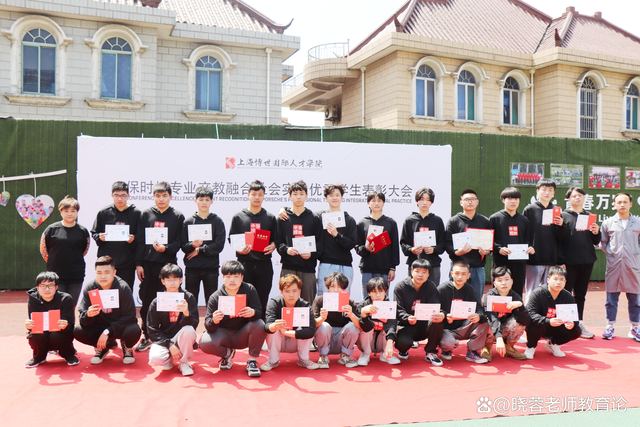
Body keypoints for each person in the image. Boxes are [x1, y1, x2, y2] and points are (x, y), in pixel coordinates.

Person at [135, 182, 185, 352]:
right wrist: (139, 264)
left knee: (171, 302)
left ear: (170, 196)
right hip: (148, 265)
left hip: (168, 267)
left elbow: (179, 241)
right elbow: (140, 240)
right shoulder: (146, 214)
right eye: (157, 195)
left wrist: (166, 248)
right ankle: (147, 336)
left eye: (164, 195)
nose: (161, 199)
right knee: (148, 302)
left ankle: (173, 335)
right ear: (153, 197)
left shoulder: (177, 216)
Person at [199, 261, 267, 377]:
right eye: (228, 276)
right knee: (204, 343)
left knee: (260, 324)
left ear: (242, 277)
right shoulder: (215, 297)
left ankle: (252, 360)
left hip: (243, 334)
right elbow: (208, 325)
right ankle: (227, 353)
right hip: (223, 335)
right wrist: (214, 321)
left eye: (236, 276)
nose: (232, 280)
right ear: (223, 277)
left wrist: (253, 312)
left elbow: (258, 312)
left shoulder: (249, 290)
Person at [75, 256, 141, 365]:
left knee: (134, 330)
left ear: (114, 272)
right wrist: (88, 315)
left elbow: (129, 316)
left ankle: (126, 346)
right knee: (78, 331)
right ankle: (102, 347)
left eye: (107, 272)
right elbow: (82, 317)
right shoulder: (90, 288)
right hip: (99, 326)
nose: (103, 276)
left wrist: (108, 331)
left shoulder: (122, 287)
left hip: (120, 327)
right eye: (99, 273)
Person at [229, 180, 277, 319]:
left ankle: (260, 327)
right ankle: (241, 327)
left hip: (264, 264)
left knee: (262, 299)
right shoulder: (238, 217)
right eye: (254, 194)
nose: (257, 197)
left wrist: (273, 245)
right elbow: (232, 239)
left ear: (264, 196)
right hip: (244, 264)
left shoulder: (270, 217)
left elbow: (276, 239)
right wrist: (239, 249)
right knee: (243, 299)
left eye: (260, 194)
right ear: (248, 195)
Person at [560, 186, 601, 339]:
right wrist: (560, 261)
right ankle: (563, 324)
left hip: (587, 260)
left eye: (580, 195)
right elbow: (557, 239)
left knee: (580, 294)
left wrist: (596, 232)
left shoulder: (590, 216)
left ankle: (578, 323)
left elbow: (595, 240)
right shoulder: (562, 216)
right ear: (568, 199)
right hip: (568, 262)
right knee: (565, 293)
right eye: (574, 196)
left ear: (584, 198)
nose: (577, 198)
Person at [599, 193, 640, 341]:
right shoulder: (608, 223)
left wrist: (635, 254)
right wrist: (612, 254)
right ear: (614, 204)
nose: (622, 204)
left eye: (625, 202)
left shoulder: (638, 223)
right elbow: (603, 242)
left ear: (630, 204)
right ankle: (610, 326)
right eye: (619, 202)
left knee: (635, 300)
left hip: (633, 266)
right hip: (614, 265)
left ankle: (635, 328)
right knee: (611, 299)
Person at [276, 180, 324, 303]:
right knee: (287, 303)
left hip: (308, 269)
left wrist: (311, 254)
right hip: (288, 268)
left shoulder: (314, 218)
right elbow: (278, 242)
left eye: (301, 194)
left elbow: (320, 244)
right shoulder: (283, 218)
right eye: (295, 194)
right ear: (290, 196)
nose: (298, 197)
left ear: (306, 196)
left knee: (307, 304)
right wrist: (286, 250)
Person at [147, 264, 199, 376]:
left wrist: (186, 314)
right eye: (168, 279)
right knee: (155, 358)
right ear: (163, 281)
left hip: (182, 336)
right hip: (165, 338)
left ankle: (184, 362)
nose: (172, 283)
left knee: (188, 330)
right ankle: (169, 359)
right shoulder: (157, 301)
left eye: (175, 279)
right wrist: (169, 345)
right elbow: (152, 329)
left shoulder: (188, 298)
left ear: (181, 280)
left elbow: (194, 324)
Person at [261, 274, 319, 371]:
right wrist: (275, 326)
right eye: (287, 291)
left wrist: (286, 332)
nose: (291, 295)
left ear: (299, 292)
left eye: (294, 291)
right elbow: (267, 326)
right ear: (281, 292)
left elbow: (311, 331)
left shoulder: (305, 305)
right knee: (273, 328)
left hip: (295, 342)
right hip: (279, 341)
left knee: (306, 328)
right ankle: (273, 360)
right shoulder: (274, 302)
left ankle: (303, 359)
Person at [39, 196, 90, 305]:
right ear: (61, 211)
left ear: (77, 212)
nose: (69, 214)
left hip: (76, 275)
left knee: (71, 305)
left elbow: (85, 250)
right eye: (66, 211)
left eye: (73, 211)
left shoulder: (82, 231)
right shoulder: (51, 229)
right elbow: (44, 250)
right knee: (57, 306)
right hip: (55, 276)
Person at [91, 181, 141, 291]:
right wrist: (100, 237)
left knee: (125, 292)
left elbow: (141, 237)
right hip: (106, 262)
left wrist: (133, 239)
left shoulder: (136, 213)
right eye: (116, 195)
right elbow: (94, 232)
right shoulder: (104, 212)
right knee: (105, 293)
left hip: (127, 263)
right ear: (111, 195)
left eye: (123, 195)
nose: (119, 199)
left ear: (128, 196)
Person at [393, 260, 445, 366]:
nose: (420, 275)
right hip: (406, 325)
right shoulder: (400, 287)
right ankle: (403, 350)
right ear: (411, 271)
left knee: (438, 321)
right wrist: (407, 318)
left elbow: (436, 306)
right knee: (403, 343)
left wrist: (441, 314)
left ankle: (431, 352)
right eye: (417, 271)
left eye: (424, 272)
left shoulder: (431, 286)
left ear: (428, 274)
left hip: (424, 324)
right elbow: (398, 310)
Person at [438, 261, 490, 364]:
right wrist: (444, 315)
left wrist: (478, 316)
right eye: (457, 273)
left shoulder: (470, 290)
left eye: (463, 274)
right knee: (448, 343)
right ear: (451, 274)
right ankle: (446, 350)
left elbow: (479, 309)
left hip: (464, 327)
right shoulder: (442, 289)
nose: (460, 277)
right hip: (446, 328)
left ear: (468, 275)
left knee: (483, 322)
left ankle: (472, 352)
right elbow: (435, 308)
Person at [181, 186, 226, 305]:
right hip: (192, 268)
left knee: (212, 302)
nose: (204, 203)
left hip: (211, 268)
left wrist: (199, 249)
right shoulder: (188, 222)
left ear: (212, 201)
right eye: (201, 199)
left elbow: (219, 245)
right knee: (190, 302)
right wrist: (192, 245)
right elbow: (183, 246)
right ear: (195, 201)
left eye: (207, 200)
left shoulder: (217, 221)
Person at [524, 266, 581, 359]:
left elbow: (575, 318)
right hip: (540, 326)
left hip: (557, 327)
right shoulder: (537, 293)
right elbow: (531, 314)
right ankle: (531, 346)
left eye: (562, 280)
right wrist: (548, 321)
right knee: (532, 324)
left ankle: (553, 344)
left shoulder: (568, 296)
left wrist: (572, 323)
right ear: (548, 280)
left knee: (577, 330)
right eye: (555, 279)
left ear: (565, 282)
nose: (558, 282)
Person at [523, 179, 565, 301]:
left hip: (551, 258)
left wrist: (561, 225)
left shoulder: (556, 211)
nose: (547, 192)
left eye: (550, 190)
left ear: (554, 193)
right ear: (537, 191)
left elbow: (560, 237)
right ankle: (530, 312)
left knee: (549, 292)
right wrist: (528, 246)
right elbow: (524, 232)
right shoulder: (530, 209)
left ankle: (544, 312)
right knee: (532, 291)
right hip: (534, 258)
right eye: (544, 189)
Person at [445, 189, 492, 299]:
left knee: (476, 299)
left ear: (477, 202)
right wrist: (457, 252)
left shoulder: (485, 221)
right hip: (458, 266)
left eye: (472, 199)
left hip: (478, 268)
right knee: (456, 299)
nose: (470, 202)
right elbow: (447, 244)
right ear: (461, 202)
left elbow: (490, 243)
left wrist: (487, 251)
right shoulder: (453, 221)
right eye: (466, 200)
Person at [24, 272, 78, 368]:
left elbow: (70, 323)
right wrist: (29, 325)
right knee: (36, 335)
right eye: (43, 286)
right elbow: (34, 323)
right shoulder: (33, 299)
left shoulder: (66, 299)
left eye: (51, 285)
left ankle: (68, 354)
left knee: (57, 335)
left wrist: (65, 325)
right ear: (37, 287)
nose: (47, 289)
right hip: (42, 332)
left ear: (56, 287)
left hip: (60, 332)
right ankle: (39, 357)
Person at [489, 187, 534, 297]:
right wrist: (499, 249)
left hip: (519, 263)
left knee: (517, 292)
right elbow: (489, 241)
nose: (513, 201)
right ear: (503, 200)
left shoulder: (524, 220)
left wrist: (530, 248)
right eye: (509, 198)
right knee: (499, 292)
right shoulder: (495, 218)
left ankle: (516, 309)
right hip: (501, 262)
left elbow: (527, 239)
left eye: (516, 199)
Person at [312, 272, 361, 369]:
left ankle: (345, 355)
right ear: (327, 288)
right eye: (333, 286)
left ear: (344, 288)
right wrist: (321, 318)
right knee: (324, 326)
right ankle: (323, 356)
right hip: (325, 338)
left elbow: (360, 325)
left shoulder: (349, 302)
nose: (336, 290)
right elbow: (313, 325)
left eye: (339, 287)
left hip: (341, 338)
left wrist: (351, 314)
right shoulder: (319, 301)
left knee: (353, 326)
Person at [481, 267, 531, 361]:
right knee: (486, 320)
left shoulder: (515, 297)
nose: (504, 283)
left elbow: (527, 321)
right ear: (494, 283)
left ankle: (509, 346)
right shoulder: (489, 296)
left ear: (511, 281)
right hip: (492, 328)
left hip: (505, 328)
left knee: (520, 321)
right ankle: (487, 345)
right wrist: (499, 338)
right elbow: (493, 318)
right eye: (500, 280)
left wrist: (521, 307)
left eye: (506, 279)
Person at [356, 191, 400, 298]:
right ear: (368, 203)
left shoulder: (391, 223)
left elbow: (394, 247)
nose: (376, 203)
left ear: (383, 203)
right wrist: (366, 249)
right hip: (367, 268)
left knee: (382, 300)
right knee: (367, 300)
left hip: (384, 268)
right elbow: (357, 246)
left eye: (379, 201)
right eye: (373, 200)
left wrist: (393, 268)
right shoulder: (362, 223)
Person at [400, 188, 445, 285]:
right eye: (421, 199)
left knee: (433, 292)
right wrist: (412, 249)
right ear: (416, 201)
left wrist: (434, 249)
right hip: (414, 264)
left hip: (433, 265)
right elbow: (403, 244)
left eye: (428, 200)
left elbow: (443, 244)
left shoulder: (437, 221)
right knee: (413, 292)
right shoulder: (409, 220)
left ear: (431, 202)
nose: (425, 202)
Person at [357, 277, 400, 366]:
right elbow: (364, 327)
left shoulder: (389, 306)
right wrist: (364, 314)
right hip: (366, 342)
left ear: (385, 292)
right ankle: (365, 354)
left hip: (382, 341)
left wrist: (390, 341)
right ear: (369, 293)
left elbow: (392, 324)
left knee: (395, 326)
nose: (378, 295)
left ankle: (385, 354)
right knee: (363, 326)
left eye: (380, 291)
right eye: (374, 292)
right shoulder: (362, 306)